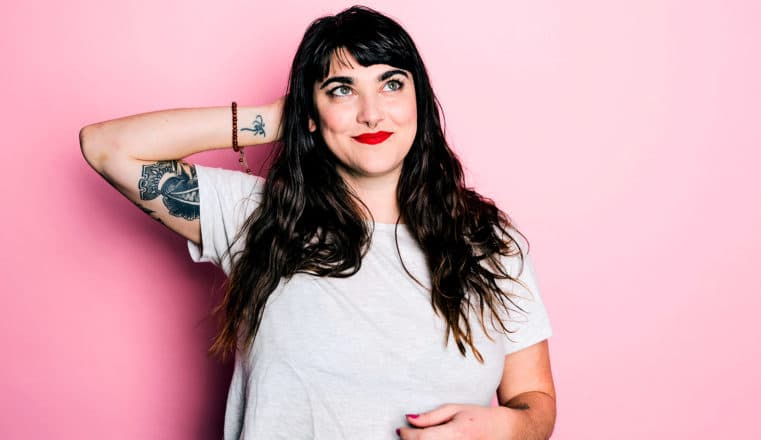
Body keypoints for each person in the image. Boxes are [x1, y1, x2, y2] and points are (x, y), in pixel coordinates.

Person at [80, 5, 556, 440]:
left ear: (420, 102)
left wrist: (504, 430)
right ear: (311, 111)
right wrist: (272, 120)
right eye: (342, 90)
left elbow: (535, 402)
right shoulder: (258, 215)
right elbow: (106, 147)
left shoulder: (489, 242)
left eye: (391, 84)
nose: (372, 114)